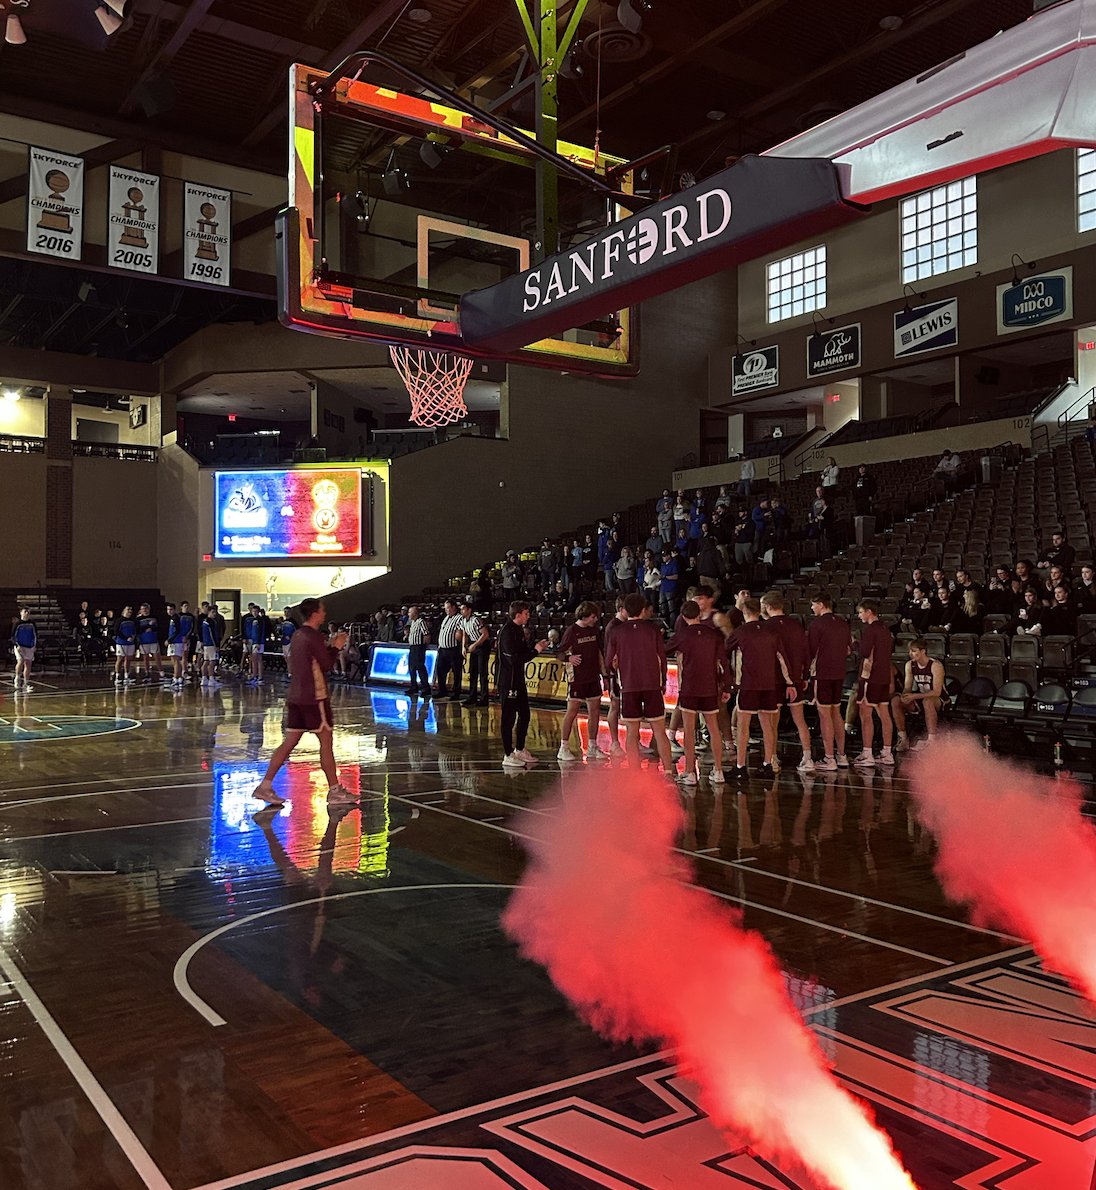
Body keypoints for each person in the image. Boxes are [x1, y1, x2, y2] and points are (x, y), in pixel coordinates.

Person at [252, 598, 353, 806]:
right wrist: (336, 646)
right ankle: (334, 791)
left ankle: (265, 785)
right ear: (315, 613)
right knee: (326, 743)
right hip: (314, 697)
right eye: (322, 610)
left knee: (289, 742)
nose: (325, 614)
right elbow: (325, 664)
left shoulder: (298, 635)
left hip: (296, 696)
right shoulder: (312, 636)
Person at [726, 598, 796, 780]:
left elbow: (724, 650)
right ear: (760, 611)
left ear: (744, 612)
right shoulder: (770, 632)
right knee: (768, 726)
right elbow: (782, 659)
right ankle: (768, 764)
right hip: (769, 685)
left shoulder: (740, 632)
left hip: (748, 684)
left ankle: (740, 767)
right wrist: (790, 683)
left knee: (743, 726)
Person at [603, 592, 674, 772]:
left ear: (625, 610)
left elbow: (608, 662)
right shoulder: (653, 630)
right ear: (643, 610)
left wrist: (614, 669)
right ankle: (667, 772)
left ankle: (635, 774)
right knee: (659, 730)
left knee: (631, 733)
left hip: (628, 686)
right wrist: (664, 680)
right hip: (652, 685)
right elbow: (662, 658)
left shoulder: (617, 631)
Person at [667, 599, 727, 786]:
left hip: (690, 687)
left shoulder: (682, 635)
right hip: (710, 687)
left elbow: (663, 649)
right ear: (699, 615)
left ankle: (690, 772)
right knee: (714, 729)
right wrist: (727, 686)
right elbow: (724, 662)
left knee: (690, 731)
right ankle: (718, 771)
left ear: (683, 617)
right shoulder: (713, 635)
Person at [760, 590, 814, 773]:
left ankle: (772, 758)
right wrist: (805, 675)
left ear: (767, 606)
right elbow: (807, 653)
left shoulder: (766, 627)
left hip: (774, 678)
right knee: (800, 720)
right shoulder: (796, 625)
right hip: (796, 678)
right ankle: (808, 757)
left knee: (772, 722)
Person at [498, 601, 549, 768]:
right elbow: (514, 659)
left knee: (525, 714)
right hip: (509, 681)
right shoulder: (507, 632)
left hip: (518, 680)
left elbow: (523, 652)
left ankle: (519, 748)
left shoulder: (519, 630)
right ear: (517, 614)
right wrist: (536, 651)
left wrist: (535, 648)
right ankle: (507, 754)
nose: (528, 616)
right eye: (526, 613)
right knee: (508, 717)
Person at [807, 591, 852, 771]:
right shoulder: (842, 623)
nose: (811, 608)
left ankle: (829, 758)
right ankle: (842, 756)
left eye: (813, 604)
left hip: (822, 673)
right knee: (836, 712)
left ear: (820, 604)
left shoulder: (817, 624)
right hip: (839, 672)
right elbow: (849, 649)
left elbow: (810, 650)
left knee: (824, 714)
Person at [557, 602, 606, 762]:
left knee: (595, 711)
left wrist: (604, 674)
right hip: (577, 678)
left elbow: (600, 652)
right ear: (584, 616)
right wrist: (569, 658)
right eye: (593, 616)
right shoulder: (572, 632)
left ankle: (592, 745)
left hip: (592, 676)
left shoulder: (595, 631)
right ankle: (563, 747)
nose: (596, 619)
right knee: (572, 711)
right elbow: (559, 653)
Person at [853, 599, 895, 768]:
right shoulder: (885, 629)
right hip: (884, 675)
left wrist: (855, 643)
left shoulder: (870, 630)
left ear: (869, 611)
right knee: (884, 713)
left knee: (865, 713)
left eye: (861, 612)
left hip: (870, 676)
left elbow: (864, 652)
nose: (859, 615)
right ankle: (887, 752)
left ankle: (867, 752)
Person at [891, 638, 945, 751]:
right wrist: (905, 695)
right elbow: (907, 687)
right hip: (920, 696)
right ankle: (903, 738)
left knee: (928, 701)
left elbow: (937, 692)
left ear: (923, 651)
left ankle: (932, 740)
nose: (910, 654)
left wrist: (913, 696)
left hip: (940, 699)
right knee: (896, 701)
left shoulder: (935, 665)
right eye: (910, 651)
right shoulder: (910, 665)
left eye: (914, 651)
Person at [601, 597, 628, 757]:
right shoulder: (613, 626)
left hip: (625, 671)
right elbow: (610, 653)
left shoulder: (623, 625)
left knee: (629, 707)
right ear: (620, 609)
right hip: (615, 672)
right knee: (615, 705)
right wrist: (609, 672)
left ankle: (634, 740)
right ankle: (614, 742)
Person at [459, 599, 490, 707]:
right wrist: (463, 647)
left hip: (482, 646)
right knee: (472, 672)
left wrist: (475, 645)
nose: (461, 611)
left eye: (463, 609)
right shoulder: (463, 621)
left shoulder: (476, 620)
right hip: (474, 645)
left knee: (482, 673)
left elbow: (485, 634)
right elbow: (464, 635)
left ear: (469, 610)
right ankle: (472, 697)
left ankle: (484, 698)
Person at [434, 598, 464, 701]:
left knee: (456, 672)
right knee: (440, 670)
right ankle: (442, 690)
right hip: (443, 649)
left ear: (454, 607)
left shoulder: (459, 618)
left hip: (453, 649)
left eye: (448, 608)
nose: (446, 610)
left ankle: (456, 693)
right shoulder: (446, 618)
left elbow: (460, 632)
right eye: (445, 608)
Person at [405, 605, 431, 696]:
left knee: (420, 668)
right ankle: (413, 686)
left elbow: (426, 634)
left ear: (415, 613)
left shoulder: (421, 622)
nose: (408, 614)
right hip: (412, 647)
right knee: (411, 668)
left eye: (409, 612)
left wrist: (423, 647)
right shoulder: (412, 622)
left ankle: (425, 688)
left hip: (419, 647)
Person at [135, 602, 163, 684]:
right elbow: (137, 630)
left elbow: (158, 627)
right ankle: (147, 673)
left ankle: (161, 673)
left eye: (146, 609)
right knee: (145, 657)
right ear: (141, 610)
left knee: (157, 656)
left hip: (153, 640)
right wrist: (146, 628)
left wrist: (152, 629)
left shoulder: (154, 617)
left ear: (149, 609)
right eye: (143, 609)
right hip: (144, 641)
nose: (145, 610)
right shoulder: (138, 619)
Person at [199, 602, 225, 688]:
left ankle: (204, 679)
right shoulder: (211, 622)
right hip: (211, 644)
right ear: (209, 612)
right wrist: (216, 645)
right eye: (213, 612)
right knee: (212, 662)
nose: (215, 614)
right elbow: (213, 634)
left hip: (206, 644)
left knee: (206, 661)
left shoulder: (204, 622)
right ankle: (211, 679)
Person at [242, 602, 267, 683]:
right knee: (254, 659)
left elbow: (260, 632)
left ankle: (259, 676)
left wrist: (259, 643)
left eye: (256, 611)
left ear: (258, 611)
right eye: (253, 611)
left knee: (258, 659)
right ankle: (255, 675)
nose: (254, 613)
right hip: (254, 641)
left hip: (258, 642)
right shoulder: (253, 620)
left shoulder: (260, 620)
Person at [12, 607, 36, 692]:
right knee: (20, 661)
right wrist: (16, 645)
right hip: (20, 646)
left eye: (28, 612)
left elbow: (35, 635)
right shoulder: (17, 624)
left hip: (29, 646)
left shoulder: (32, 623)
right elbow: (13, 636)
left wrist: (34, 645)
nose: (27, 613)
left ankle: (26, 683)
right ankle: (17, 678)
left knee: (28, 664)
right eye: (25, 611)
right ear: (21, 613)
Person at [114, 605, 138, 686]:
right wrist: (125, 638)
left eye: (131, 610)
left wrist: (133, 637)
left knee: (128, 659)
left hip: (130, 643)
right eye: (128, 610)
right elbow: (116, 631)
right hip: (121, 643)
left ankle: (126, 676)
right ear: (124, 610)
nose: (129, 611)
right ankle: (117, 677)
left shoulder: (132, 620)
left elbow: (135, 630)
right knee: (120, 659)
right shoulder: (119, 620)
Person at [658, 546, 680, 621]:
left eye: (665, 556)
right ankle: (665, 624)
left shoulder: (674, 564)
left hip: (670, 588)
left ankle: (672, 625)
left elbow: (676, 576)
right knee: (663, 607)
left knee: (672, 609)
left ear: (669, 556)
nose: (663, 558)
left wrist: (666, 577)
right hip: (663, 588)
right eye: (663, 556)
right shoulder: (663, 565)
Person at [278, 607, 296, 678]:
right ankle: (290, 671)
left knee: (289, 657)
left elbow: (297, 631)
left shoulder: (293, 622)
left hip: (290, 642)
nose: (286, 613)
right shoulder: (284, 622)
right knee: (286, 657)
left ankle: (291, 674)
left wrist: (291, 637)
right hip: (284, 642)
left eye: (288, 612)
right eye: (285, 612)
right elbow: (280, 631)